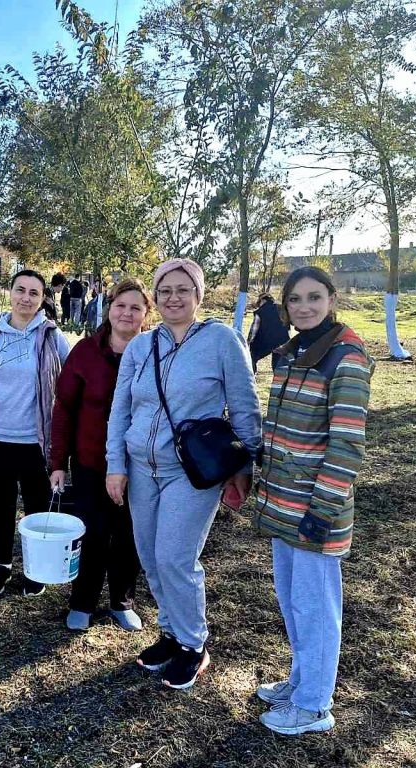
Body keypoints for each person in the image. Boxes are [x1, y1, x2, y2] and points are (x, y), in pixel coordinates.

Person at [106, 258, 261, 690]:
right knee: (151, 557)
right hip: (140, 468)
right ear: (155, 297)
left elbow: (245, 408)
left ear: (198, 294)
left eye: (183, 289)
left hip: (189, 472)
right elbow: (121, 410)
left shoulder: (222, 341)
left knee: (176, 557)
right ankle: (171, 633)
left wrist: (244, 465)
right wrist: (116, 465)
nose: (173, 297)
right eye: (165, 290)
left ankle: (194, 644)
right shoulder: (141, 346)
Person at [252, 266, 374, 736]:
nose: (304, 306)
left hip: (314, 509)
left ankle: (314, 707)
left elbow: (347, 444)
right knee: (292, 601)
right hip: (282, 501)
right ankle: (302, 682)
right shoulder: (291, 352)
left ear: (331, 299)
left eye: (314, 297)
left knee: (317, 608)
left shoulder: (346, 357)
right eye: (296, 299)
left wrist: (321, 511)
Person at [0, 269, 71, 597]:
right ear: (9, 293)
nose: (26, 298)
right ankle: (3, 565)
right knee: (1, 505)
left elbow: (71, 383)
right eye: (20, 290)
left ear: (42, 299)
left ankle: (35, 568)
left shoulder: (52, 337)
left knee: (37, 506)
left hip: (37, 443)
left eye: (34, 293)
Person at [49, 278, 150, 632]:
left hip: (140, 465)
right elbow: (63, 408)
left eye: (136, 307)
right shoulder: (85, 353)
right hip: (91, 461)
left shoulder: (155, 353)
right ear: (109, 308)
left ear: (145, 314)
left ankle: (121, 601)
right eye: (120, 305)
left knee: (129, 533)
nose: (127, 313)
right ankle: (82, 601)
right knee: (92, 531)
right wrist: (58, 462)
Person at [247, 293, 290, 373]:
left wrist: (248, 342)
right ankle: (280, 380)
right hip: (283, 340)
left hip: (265, 341)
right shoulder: (281, 309)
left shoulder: (260, 312)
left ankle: (251, 375)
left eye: (259, 302)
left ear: (263, 300)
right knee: (278, 365)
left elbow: (254, 330)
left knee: (251, 357)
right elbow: (287, 324)